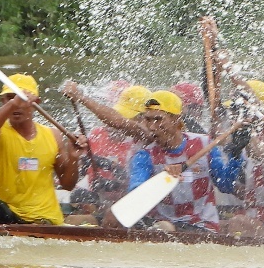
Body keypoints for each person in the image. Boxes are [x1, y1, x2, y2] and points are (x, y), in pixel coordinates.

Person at [63, 82, 223, 232]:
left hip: (192, 222)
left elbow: (118, 122)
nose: (151, 126)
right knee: (77, 220)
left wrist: (81, 97)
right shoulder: (143, 149)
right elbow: (136, 187)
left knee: (158, 226)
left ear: (174, 120)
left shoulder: (194, 140)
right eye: (148, 119)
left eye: (157, 120)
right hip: (152, 212)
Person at [0, 74, 78, 225]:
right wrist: (15, 103)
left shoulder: (54, 135)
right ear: (3, 102)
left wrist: (73, 158)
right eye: (10, 98)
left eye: (22, 99)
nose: (16, 104)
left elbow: (67, 185)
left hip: (47, 219)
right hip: (9, 215)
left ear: (35, 103)